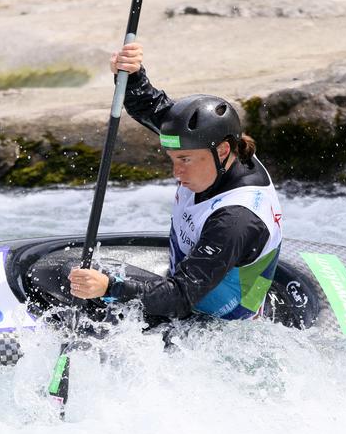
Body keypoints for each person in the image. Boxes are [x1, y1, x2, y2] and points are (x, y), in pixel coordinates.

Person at [68, 43, 283, 321]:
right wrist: (132, 75)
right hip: (189, 288)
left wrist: (110, 287)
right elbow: (152, 108)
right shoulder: (209, 147)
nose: (176, 172)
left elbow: (179, 297)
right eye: (172, 158)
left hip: (209, 326)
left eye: (185, 160)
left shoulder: (236, 220)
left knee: (88, 286)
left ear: (222, 152)